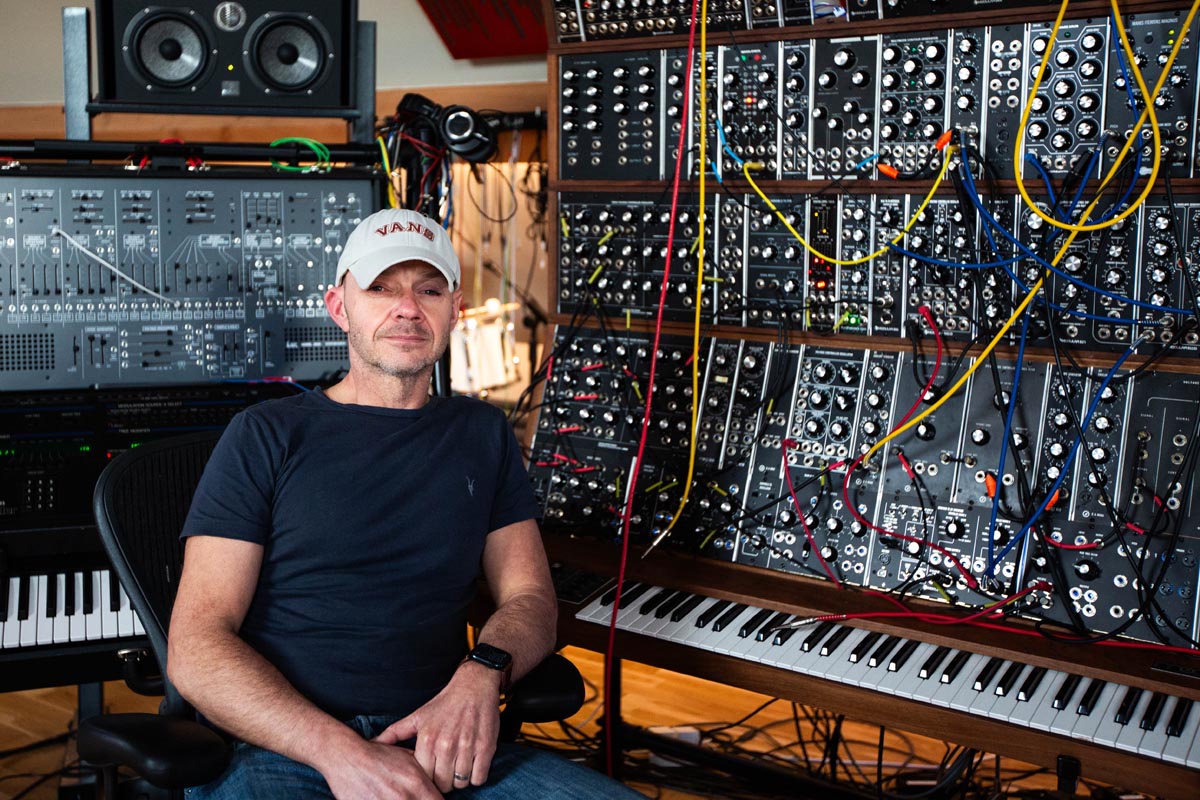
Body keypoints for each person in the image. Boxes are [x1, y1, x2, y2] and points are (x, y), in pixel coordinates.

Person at [169, 208, 644, 799]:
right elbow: (195, 647)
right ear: (339, 307)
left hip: (443, 742)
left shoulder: (482, 433)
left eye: (429, 289)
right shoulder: (265, 435)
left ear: (456, 308)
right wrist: (341, 754)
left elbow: (529, 597)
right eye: (381, 288)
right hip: (284, 749)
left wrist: (483, 674)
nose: (407, 308)